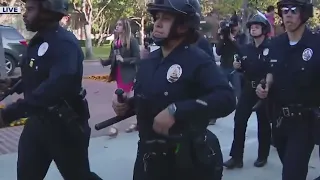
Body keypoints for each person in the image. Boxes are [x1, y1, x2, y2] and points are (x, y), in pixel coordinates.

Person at [112, 0, 236, 179]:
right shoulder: (148, 61)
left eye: (166, 18)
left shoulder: (197, 60)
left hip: (185, 160)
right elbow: (150, 98)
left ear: (183, 26)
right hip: (148, 157)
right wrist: (128, 104)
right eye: (157, 17)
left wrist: (176, 110)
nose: (158, 23)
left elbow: (227, 98)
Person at [0, 0, 102, 179]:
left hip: (65, 127)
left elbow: (54, 88)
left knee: (78, 176)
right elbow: (36, 74)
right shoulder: (38, 41)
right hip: (37, 125)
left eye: (30, 9)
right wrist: (11, 83)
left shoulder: (65, 44)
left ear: (48, 12)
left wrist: (9, 114)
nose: (25, 14)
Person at [256, 0, 318, 179]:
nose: (287, 14)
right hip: (279, 120)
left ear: (304, 13)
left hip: (305, 121)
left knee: (292, 173)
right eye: (284, 10)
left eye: (293, 10)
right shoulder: (275, 44)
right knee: (290, 166)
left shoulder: (316, 43)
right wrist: (264, 85)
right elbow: (270, 71)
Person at [223, 13, 272, 169]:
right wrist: (238, 66)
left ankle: (262, 156)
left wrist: (266, 85)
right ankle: (236, 157)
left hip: (264, 90)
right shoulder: (246, 48)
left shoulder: (272, 48)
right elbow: (243, 67)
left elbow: (274, 69)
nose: (253, 29)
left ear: (264, 29)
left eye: (257, 27)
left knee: (263, 123)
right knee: (239, 120)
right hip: (248, 89)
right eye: (251, 27)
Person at [100, 18, 141, 136]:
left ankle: (114, 127)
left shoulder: (131, 41)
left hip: (128, 75)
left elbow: (137, 58)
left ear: (125, 27)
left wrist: (124, 60)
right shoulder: (115, 42)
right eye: (116, 24)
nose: (117, 27)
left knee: (121, 102)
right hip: (118, 74)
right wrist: (105, 62)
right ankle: (136, 122)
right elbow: (112, 57)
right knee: (127, 101)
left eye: (119, 25)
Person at [216, 14, 246, 101]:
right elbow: (218, 52)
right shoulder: (224, 36)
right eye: (233, 26)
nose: (234, 28)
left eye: (235, 25)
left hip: (235, 68)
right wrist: (222, 39)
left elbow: (242, 50)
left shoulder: (242, 37)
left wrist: (232, 39)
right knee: (221, 89)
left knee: (238, 91)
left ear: (239, 25)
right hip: (224, 66)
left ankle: (240, 105)